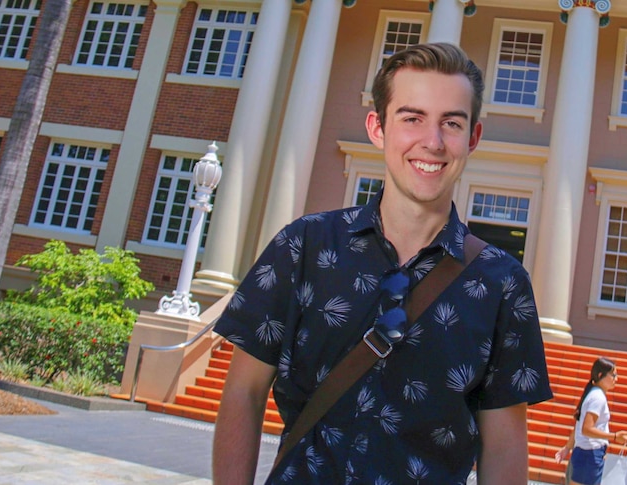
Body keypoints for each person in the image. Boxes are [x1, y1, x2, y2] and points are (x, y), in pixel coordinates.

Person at [212, 42, 553, 485]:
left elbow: (504, 448)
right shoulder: (304, 246)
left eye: (451, 123)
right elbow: (244, 392)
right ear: (378, 128)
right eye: (412, 118)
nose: (432, 142)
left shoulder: (503, 284)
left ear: (473, 138)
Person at [553, 357, 627, 485]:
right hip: (589, 455)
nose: (616, 379)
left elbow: (579, 425)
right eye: (613, 375)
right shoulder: (597, 397)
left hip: (587, 454)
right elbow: (586, 429)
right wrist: (614, 436)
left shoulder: (593, 394)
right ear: (601, 375)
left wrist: (567, 447)